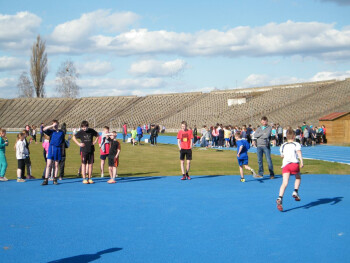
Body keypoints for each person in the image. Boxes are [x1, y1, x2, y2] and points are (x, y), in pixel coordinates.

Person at [276, 128, 304, 212]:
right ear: (294, 136)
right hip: (294, 164)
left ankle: (280, 197)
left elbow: (282, 155)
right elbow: (299, 153)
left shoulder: (283, 145)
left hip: (285, 165)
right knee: (298, 177)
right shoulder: (296, 144)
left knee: (284, 183)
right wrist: (302, 162)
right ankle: (295, 191)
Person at [42, 120, 66, 185]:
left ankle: (55, 179)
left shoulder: (61, 132)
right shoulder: (51, 131)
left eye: (56, 124)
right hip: (51, 148)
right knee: (48, 164)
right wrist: (52, 126)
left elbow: (63, 140)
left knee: (56, 165)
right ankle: (46, 179)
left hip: (58, 148)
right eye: (54, 124)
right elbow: (43, 129)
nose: (55, 126)